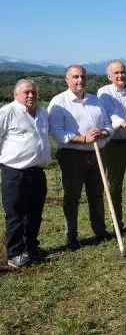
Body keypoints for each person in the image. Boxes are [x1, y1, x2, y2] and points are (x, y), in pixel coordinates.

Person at [48, 64, 114, 251]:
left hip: (98, 154)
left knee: (97, 195)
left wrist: (102, 132)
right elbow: (58, 134)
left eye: (83, 77)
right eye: (75, 77)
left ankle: (100, 232)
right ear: (67, 80)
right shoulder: (59, 102)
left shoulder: (96, 100)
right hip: (72, 156)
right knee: (72, 197)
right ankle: (72, 237)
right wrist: (83, 139)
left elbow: (109, 126)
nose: (80, 81)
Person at [0, 80, 52, 267]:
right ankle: (14, 253)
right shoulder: (8, 112)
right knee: (15, 214)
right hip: (15, 172)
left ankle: (30, 248)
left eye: (33, 92)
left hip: (37, 172)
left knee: (34, 213)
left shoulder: (42, 113)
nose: (31, 95)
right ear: (16, 94)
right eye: (26, 92)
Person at [97, 60, 126, 231]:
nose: (120, 75)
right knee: (114, 185)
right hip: (114, 144)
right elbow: (110, 114)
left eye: (123, 72)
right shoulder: (104, 92)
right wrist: (123, 123)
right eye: (116, 73)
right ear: (109, 76)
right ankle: (116, 222)